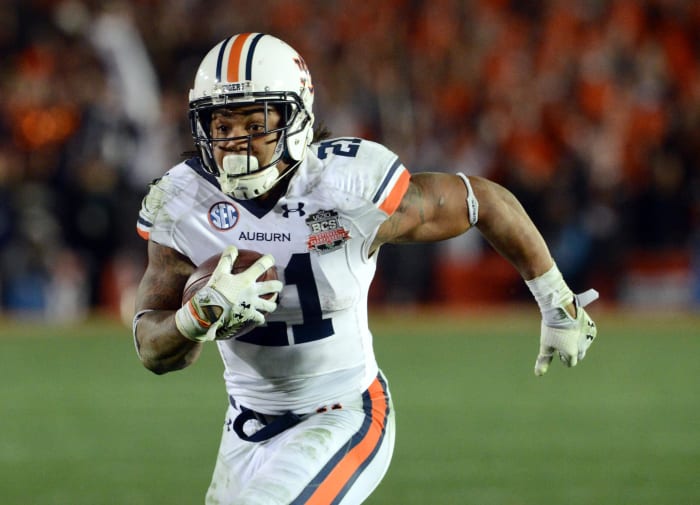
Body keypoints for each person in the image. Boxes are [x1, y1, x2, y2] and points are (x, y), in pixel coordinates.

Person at [133, 33, 599, 505]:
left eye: (255, 122)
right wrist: (197, 318)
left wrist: (556, 300)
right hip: (246, 428)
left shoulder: (346, 186)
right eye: (223, 123)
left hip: (343, 414)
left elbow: (484, 200)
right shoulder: (184, 201)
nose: (236, 142)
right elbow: (155, 351)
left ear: (296, 119)